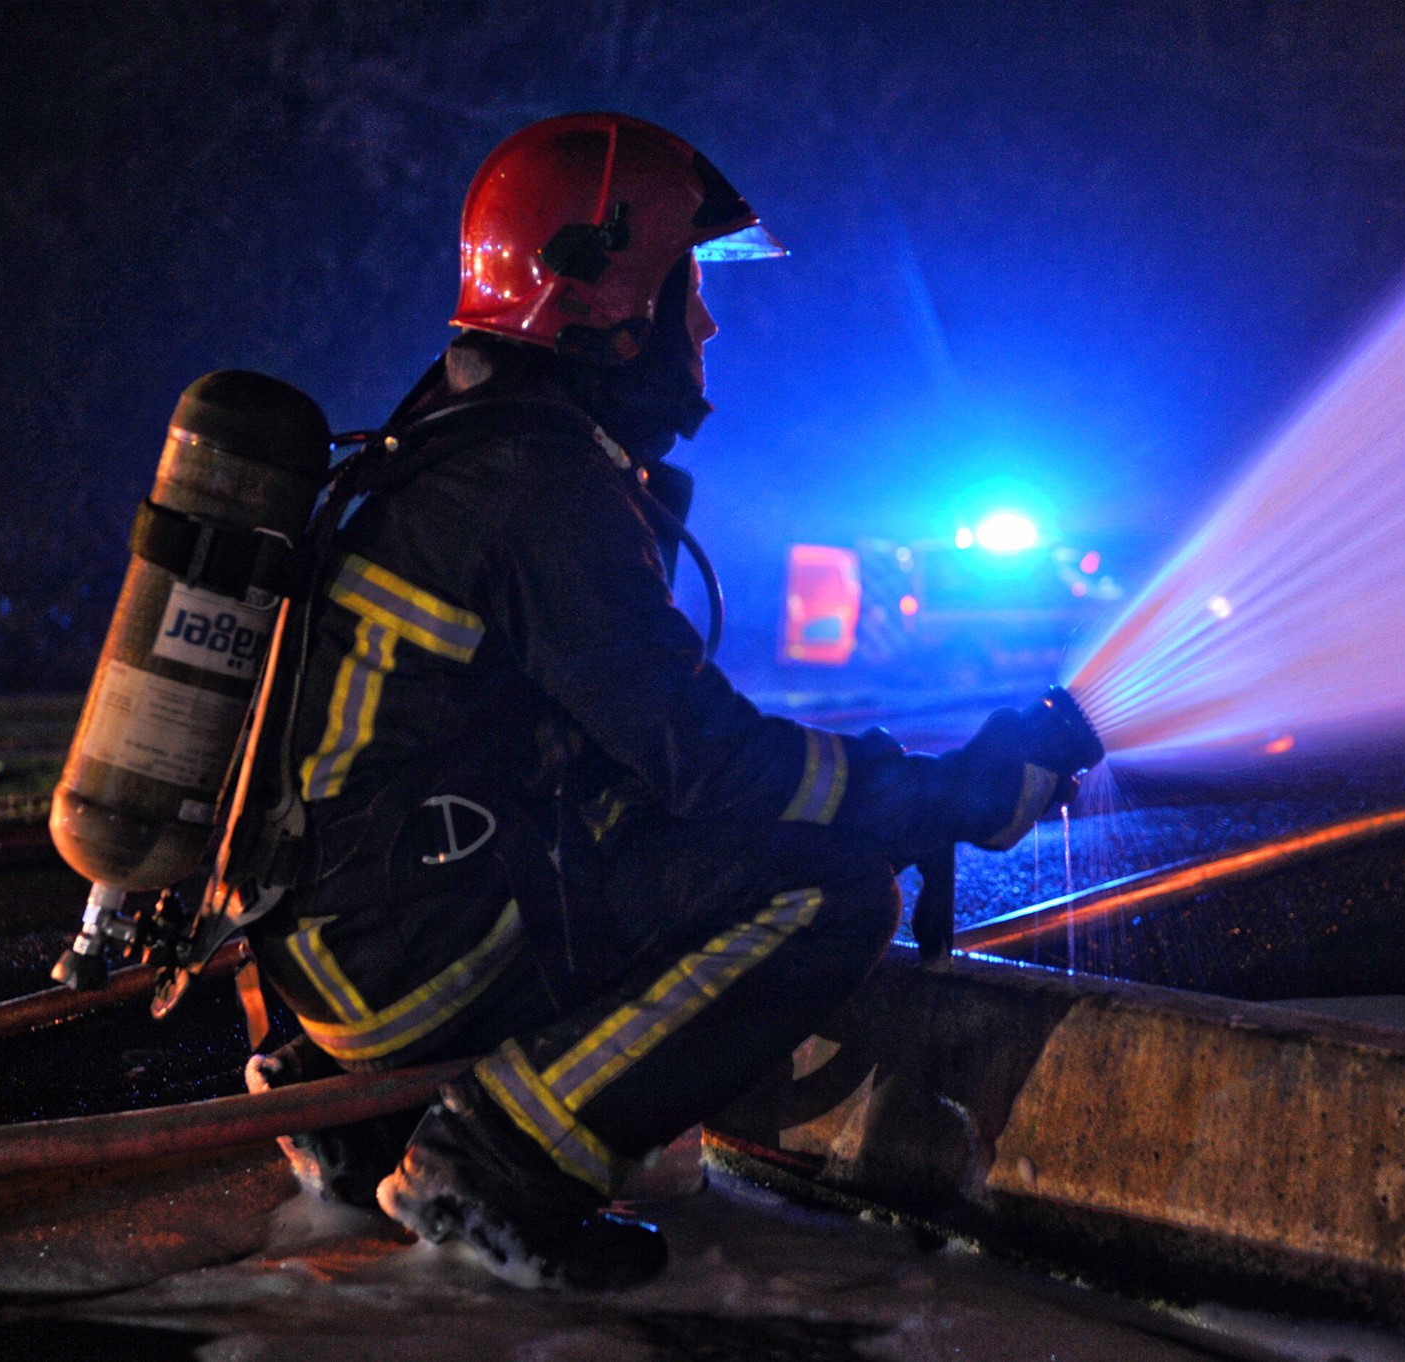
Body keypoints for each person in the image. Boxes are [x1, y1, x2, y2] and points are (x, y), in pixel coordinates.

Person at [240, 112, 1097, 1290]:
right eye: (683, 290)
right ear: (602, 296)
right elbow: (711, 766)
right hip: (415, 953)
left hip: (337, 951)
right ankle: (497, 1166)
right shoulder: (537, 488)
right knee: (832, 895)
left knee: (707, 841)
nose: (699, 326)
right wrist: (945, 792)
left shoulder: (455, 438)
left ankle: (362, 1130)